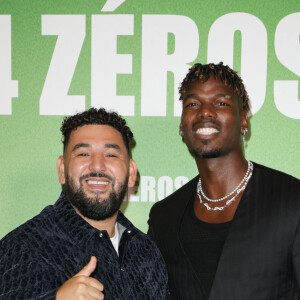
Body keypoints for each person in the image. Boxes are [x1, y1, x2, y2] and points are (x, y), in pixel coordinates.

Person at [148, 62, 300, 300]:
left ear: (244, 121)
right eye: (193, 104)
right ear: (181, 126)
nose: (205, 112)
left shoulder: (292, 200)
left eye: (221, 103)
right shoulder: (163, 217)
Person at [0, 108, 169, 299]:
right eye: (83, 154)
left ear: (131, 173)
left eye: (111, 155)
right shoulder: (23, 247)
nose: (97, 166)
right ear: (62, 169)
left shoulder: (145, 250)